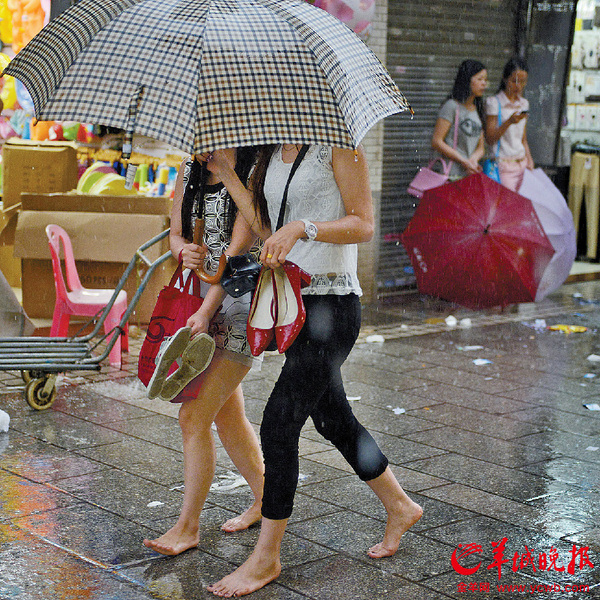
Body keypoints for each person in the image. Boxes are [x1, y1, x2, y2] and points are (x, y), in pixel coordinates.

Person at [202, 144, 423, 597]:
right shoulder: (271, 155)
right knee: (332, 418)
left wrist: (306, 228)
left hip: (333, 306)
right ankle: (400, 505)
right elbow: (269, 229)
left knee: (280, 423)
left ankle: (266, 557)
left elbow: (364, 224)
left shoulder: (339, 148)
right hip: (294, 304)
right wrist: (227, 173)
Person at [142, 148, 265, 556]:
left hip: (241, 304)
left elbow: (240, 255)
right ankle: (267, 500)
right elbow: (175, 231)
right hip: (200, 302)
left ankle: (188, 526)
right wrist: (182, 251)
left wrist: (205, 309)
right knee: (228, 415)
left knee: (193, 415)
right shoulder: (190, 169)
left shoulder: (252, 168)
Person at [431, 59, 488, 180]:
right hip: (449, 175)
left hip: (468, 176)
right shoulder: (451, 106)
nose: (484, 83)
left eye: (485, 80)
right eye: (479, 79)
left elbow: (481, 147)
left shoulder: (478, 109)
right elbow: (437, 141)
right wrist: (463, 161)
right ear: (467, 80)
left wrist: (473, 160)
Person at [485, 56, 534, 192]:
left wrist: (529, 160)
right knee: (507, 207)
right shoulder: (494, 102)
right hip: (503, 167)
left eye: (523, 82)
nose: (518, 86)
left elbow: (523, 138)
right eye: (514, 81)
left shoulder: (523, 103)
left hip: (522, 164)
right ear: (504, 78)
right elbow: (490, 139)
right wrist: (508, 122)